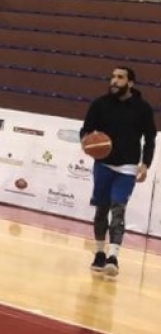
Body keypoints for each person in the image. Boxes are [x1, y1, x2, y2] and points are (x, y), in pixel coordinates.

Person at [80, 66, 156, 277]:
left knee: (118, 208)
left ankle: (113, 256)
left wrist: (145, 164)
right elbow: (85, 130)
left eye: (120, 78)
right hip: (103, 164)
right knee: (101, 209)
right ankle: (99, 253)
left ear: (130, 83)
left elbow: (150, 138)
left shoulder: (143, 109)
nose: (114, 81)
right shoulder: (99, 104)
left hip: (128, 167)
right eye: (113, 77)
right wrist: (86, 141)